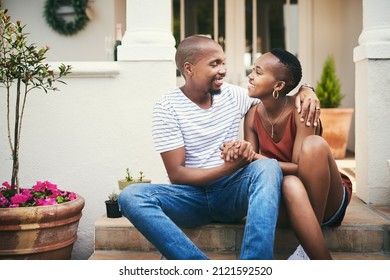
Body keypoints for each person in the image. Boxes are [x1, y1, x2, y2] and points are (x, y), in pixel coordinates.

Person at [118, 35, 320, 260]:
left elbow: (276, 92)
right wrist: (231, 166)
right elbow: (177, 174)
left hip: (231, 193)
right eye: (215, 64)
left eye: (223, 62)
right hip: (190, 198)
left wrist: (306, 89)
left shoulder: (233, 95)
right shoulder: (167, 107)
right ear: (189, 68)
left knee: (268, 167)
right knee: (129, 196)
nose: (223, 70)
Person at [222, 48, 352, 260]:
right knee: (290, 183)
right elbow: (252, 166)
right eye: (252, 70)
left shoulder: (302, 110)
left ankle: (309, 244)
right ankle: (317, 257)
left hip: (326, 201)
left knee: (314, 145)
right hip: (290, 199)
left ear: (279, 86)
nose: (250, 76)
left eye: (258, 72)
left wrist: (254, 156)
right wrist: (239, 152)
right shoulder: (252, 115)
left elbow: (304, 168)